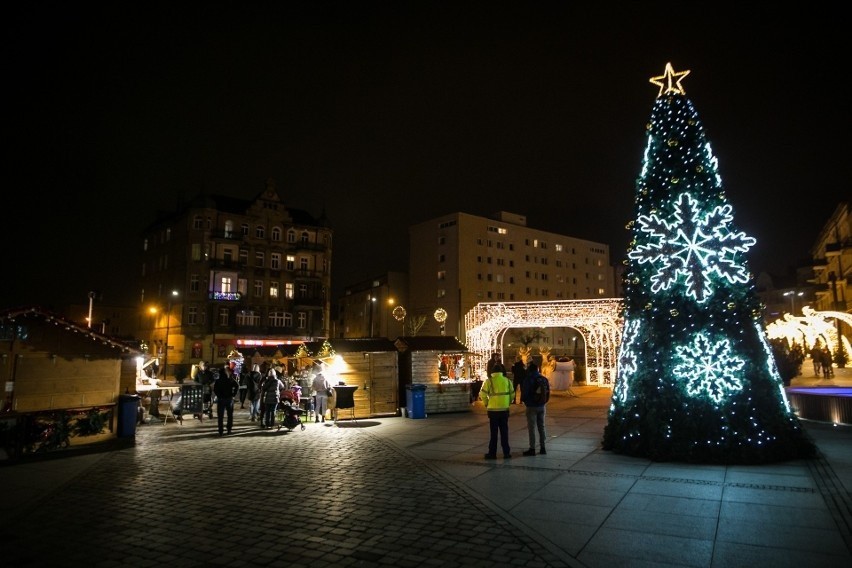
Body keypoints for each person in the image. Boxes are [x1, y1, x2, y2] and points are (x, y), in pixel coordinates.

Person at [479, 362, 513, 459]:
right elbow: (512, 394)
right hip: (504, 410)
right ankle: (506, 453)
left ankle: (492, 453)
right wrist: (507, 403)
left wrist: (487, 403)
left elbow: (483, 394)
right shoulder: (507, 381)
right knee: (504, 432)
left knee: (494, 433)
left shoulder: (489, 381)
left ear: (492, 372)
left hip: (493, 411)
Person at [520, 362, 549, 456]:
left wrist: (525, 401)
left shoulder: (528, 379)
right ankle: (543, 447)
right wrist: (543, 402)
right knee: (542, 426)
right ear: (538, 369)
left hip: (531, 406)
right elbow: (548, 392)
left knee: (531, 428)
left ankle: (532, 448)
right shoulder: (544, 379)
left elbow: (525, 392)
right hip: (542, 406)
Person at [213, 366, 240, 436]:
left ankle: (221, 431)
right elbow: (237, 385)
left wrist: (218, 395)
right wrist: (233, 394)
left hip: (221, 399)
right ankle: (229, 429)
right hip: (229, 399)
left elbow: (215, 389)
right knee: (230, 415)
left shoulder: (218, 380)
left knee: (220, 416)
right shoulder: (230, 379)